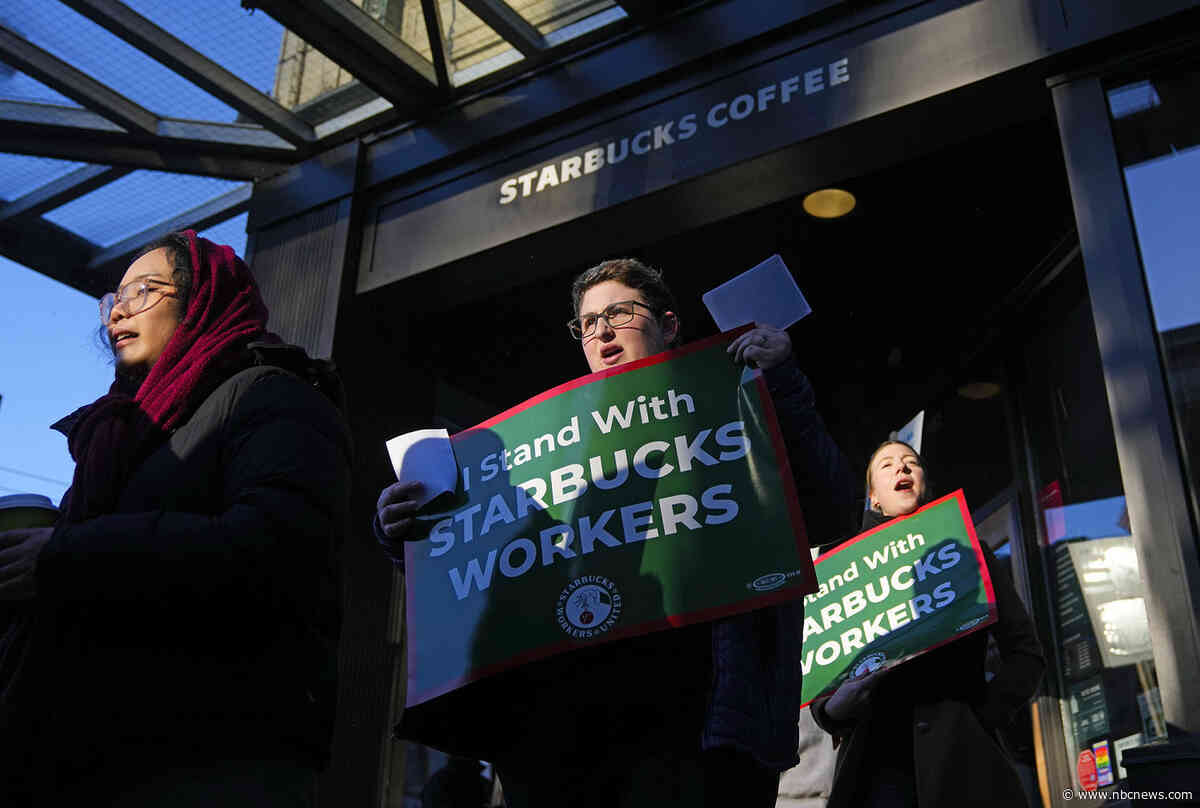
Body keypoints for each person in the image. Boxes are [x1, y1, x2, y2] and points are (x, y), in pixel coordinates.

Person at [376, 258, 859, 807]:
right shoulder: (543, 448)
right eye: (587, 323)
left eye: (620, 313)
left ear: (669, 325)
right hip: (560, 741)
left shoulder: (737, 400)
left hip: (698, 733)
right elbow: (491, 572)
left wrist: (784, 386)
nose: (601, 331)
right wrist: (414, 534)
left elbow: (833, 512)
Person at [0, 231, 352, 807]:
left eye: (144, 290)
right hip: (92, 752)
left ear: (202, 301)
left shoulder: (272, 396)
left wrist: (65, 556)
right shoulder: (120, 434)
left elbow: (278, 547)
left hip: (214, 753)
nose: (119, 309)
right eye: (113, 298)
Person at [810, 441, 1045, 808]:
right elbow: (822, 689)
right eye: (887, 466)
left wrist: (980, 718)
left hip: (966, 770)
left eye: (911, 463)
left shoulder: (970, 552)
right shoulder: (839, 574)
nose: (901, 469)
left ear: (923, 482)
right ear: (873, 497)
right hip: (875, 776)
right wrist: (838, 706)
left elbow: (1026, 654)